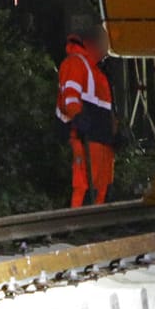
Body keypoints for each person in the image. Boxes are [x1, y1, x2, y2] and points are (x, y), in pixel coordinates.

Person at [56, 24, 115, 208]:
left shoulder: (96, 71)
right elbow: (70, 97)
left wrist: (114, 133)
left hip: (99, 136)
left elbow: (104, 107)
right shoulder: (76, 63)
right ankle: (77, 222)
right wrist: (79, 118)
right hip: (85, 135)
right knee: (83, 182)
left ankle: (92, 223)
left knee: (102, 182)